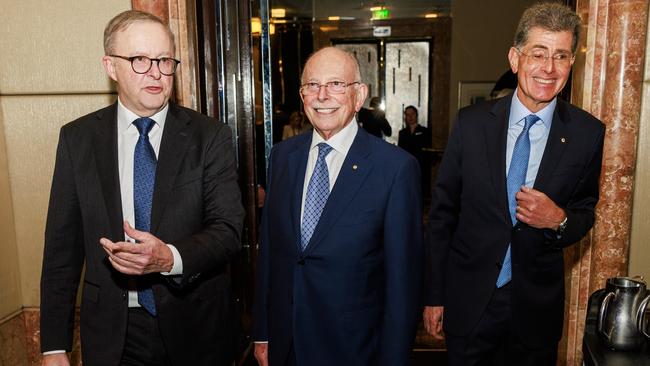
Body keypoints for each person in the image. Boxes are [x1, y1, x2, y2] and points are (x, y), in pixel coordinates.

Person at [40, 10, 245, 366]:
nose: (155, 71)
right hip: (114, 334)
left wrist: (170, 257)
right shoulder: (78, 139)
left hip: (197, 329)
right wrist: (54, 345)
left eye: (164, 60)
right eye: (139, 59)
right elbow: (62, 250)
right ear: (111, 66)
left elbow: (227, 230)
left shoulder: (209, 136)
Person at [423, 3, 605, 365]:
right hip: (469, 302)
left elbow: (585, 213)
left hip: (535, 311)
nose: (549, 68)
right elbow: (442, 215)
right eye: (538, 54)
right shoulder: (471, 124)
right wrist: (434, 295)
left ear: (571, 64)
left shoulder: (587, 133)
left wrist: (558, 220)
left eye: (561, 56)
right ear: (515, 58)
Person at [253, 47, 422, 366]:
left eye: (335, 84)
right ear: (302, 96)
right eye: (312, 85)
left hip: (355, 349)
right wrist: (262, 332)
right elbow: (270, 254)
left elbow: (403, 283)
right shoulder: (282, 157)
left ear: (359, 96)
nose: (322, 95)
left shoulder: (395, 169)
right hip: (286, 344)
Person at [398, 105, 431, 195]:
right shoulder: (402, 133)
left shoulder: (425, 131)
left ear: (416, 115)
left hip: (421, 167)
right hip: (407, 167)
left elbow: (427, 150)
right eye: (407, 115)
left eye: (412, 114)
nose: (410, 117)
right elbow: (401, 150)